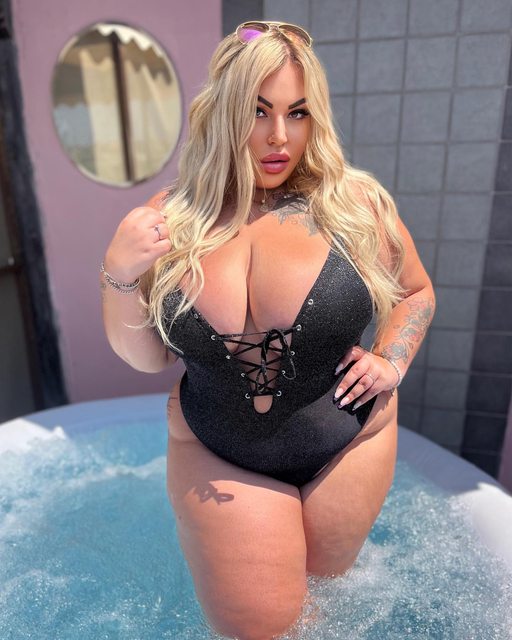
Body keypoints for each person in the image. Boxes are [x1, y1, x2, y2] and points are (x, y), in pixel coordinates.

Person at [101, 20, 435, 640]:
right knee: (261, 630)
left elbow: (415, 291)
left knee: (326, 609)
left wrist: (392, 359)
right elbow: (146, 358)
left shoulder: (355, 206)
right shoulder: (169, 219)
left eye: (297, 112)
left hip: (350, 446)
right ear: (224, 110)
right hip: (221, 455)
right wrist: (119, 274)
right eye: (258, 111)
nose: (280, 136)